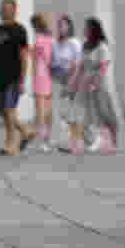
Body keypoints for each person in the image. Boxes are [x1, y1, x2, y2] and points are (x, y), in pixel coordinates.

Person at [64, 17, 120, 155]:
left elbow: (104, 67)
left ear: (94, 30)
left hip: (100, 84)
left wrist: (95, 83)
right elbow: (80, 67)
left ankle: (113, 141)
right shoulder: (85, 46)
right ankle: (75, 145)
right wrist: (71, 86)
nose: (84, 30)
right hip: (85, 83)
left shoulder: (102, 47)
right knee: (76, 113)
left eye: (87, 28)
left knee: (105, 114)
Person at [0, 0, 35, 156]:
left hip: (14, 76)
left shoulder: (20, 30)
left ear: (14, 10)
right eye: (2, 8)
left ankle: (10, 144)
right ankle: (25, 130)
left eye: (8, 8)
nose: (4, 11)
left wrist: (22, 80)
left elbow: (24, 56)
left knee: (9, 110)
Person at [49, 14, 85, 151]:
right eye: (59, 25)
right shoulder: (56, 43)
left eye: (63, 25)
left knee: (73, 113)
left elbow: (77, 64)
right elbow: (53, 62)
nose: (60, 27)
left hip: (72, 80)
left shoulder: (74, 43)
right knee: (62, 113)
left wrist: (71, 83)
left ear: (69, 26)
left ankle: (78, 142)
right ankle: (65, 142)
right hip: (58, 79)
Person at [29, 14, 55, 152]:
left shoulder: (38, 39)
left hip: (40, 75)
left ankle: (42, 141)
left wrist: (32, 78)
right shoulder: (51, 38)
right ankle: (48, 140)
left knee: (40, 111)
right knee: (48, 110)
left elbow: (34, 60)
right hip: (50, 75)